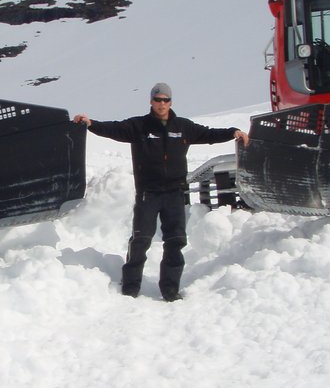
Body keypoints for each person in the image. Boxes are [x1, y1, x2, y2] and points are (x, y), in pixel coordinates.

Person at [73, 83, 250, 302]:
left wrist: (233, 132)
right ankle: (130, 287)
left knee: (175, 241)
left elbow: (208, 133)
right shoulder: (139, 126)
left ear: (171, 102)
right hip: (149, 194)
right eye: (158, 100)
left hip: (175, 194)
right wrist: (90, 124)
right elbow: (113, 129)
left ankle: (170, 289)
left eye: (165, 100)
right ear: (151, 101)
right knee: (141, 240)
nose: (162, 104)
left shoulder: (183, 127)